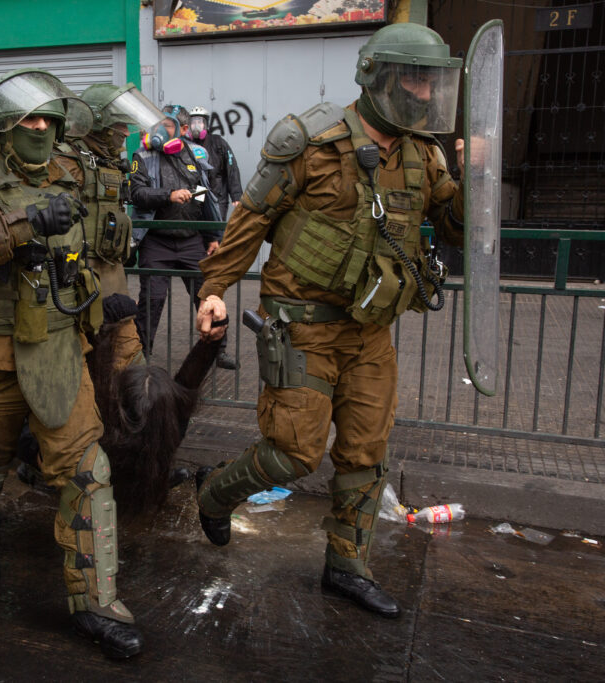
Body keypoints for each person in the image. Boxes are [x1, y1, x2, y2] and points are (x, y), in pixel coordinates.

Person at [193, 22, 466, 619]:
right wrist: (214, 290)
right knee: (293, 453)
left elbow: (458, 229)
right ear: (377, 78)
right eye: (412, 80)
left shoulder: (424, 156)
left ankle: (348, 565)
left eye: (430, 82)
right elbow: (250, 221)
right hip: (301, 327)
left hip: (370, 332)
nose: (422, 94)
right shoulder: (308, 141)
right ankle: (214, 494)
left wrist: (480, 182)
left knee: (366, 453)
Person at [0, 68, 143, 660]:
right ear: (0, 126)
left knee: (87, 471)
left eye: (48, 119)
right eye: (28, 119)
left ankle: (96, 601)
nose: (40, 128)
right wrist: (14, 228)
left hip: (57, 349)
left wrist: (102, 303)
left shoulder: (69, 173)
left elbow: (81, 252)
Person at [53, 82, 168, 369]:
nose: (126, 134)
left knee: (126, 356)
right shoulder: (68, 160)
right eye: (120, 126)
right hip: (79, 277)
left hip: (111, 272)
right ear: (100, 125)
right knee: (83, 359)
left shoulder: (109, 161)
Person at [130, 108, 237, 370]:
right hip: (157, 241)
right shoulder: (142, 155)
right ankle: (140, 356)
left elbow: (205, 195)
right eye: (161, 124)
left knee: (208, 296)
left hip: (191, 241)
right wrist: (168, 195)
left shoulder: (194, 155)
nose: (163, 129)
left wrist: (212, 235)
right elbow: (138, 193)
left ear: (182, 130)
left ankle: (217, 351)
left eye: (170, 125)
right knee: (152, 301)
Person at [186, 105, 243, 219]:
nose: (196, 125)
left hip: (218, 195)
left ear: (206, 124)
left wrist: (236, 196)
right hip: (197, 194)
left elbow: (231, 168)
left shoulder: (218, 143)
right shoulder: (187, 144)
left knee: (216, 228)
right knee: (198, 228)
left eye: (200, 122)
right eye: (193, 122)